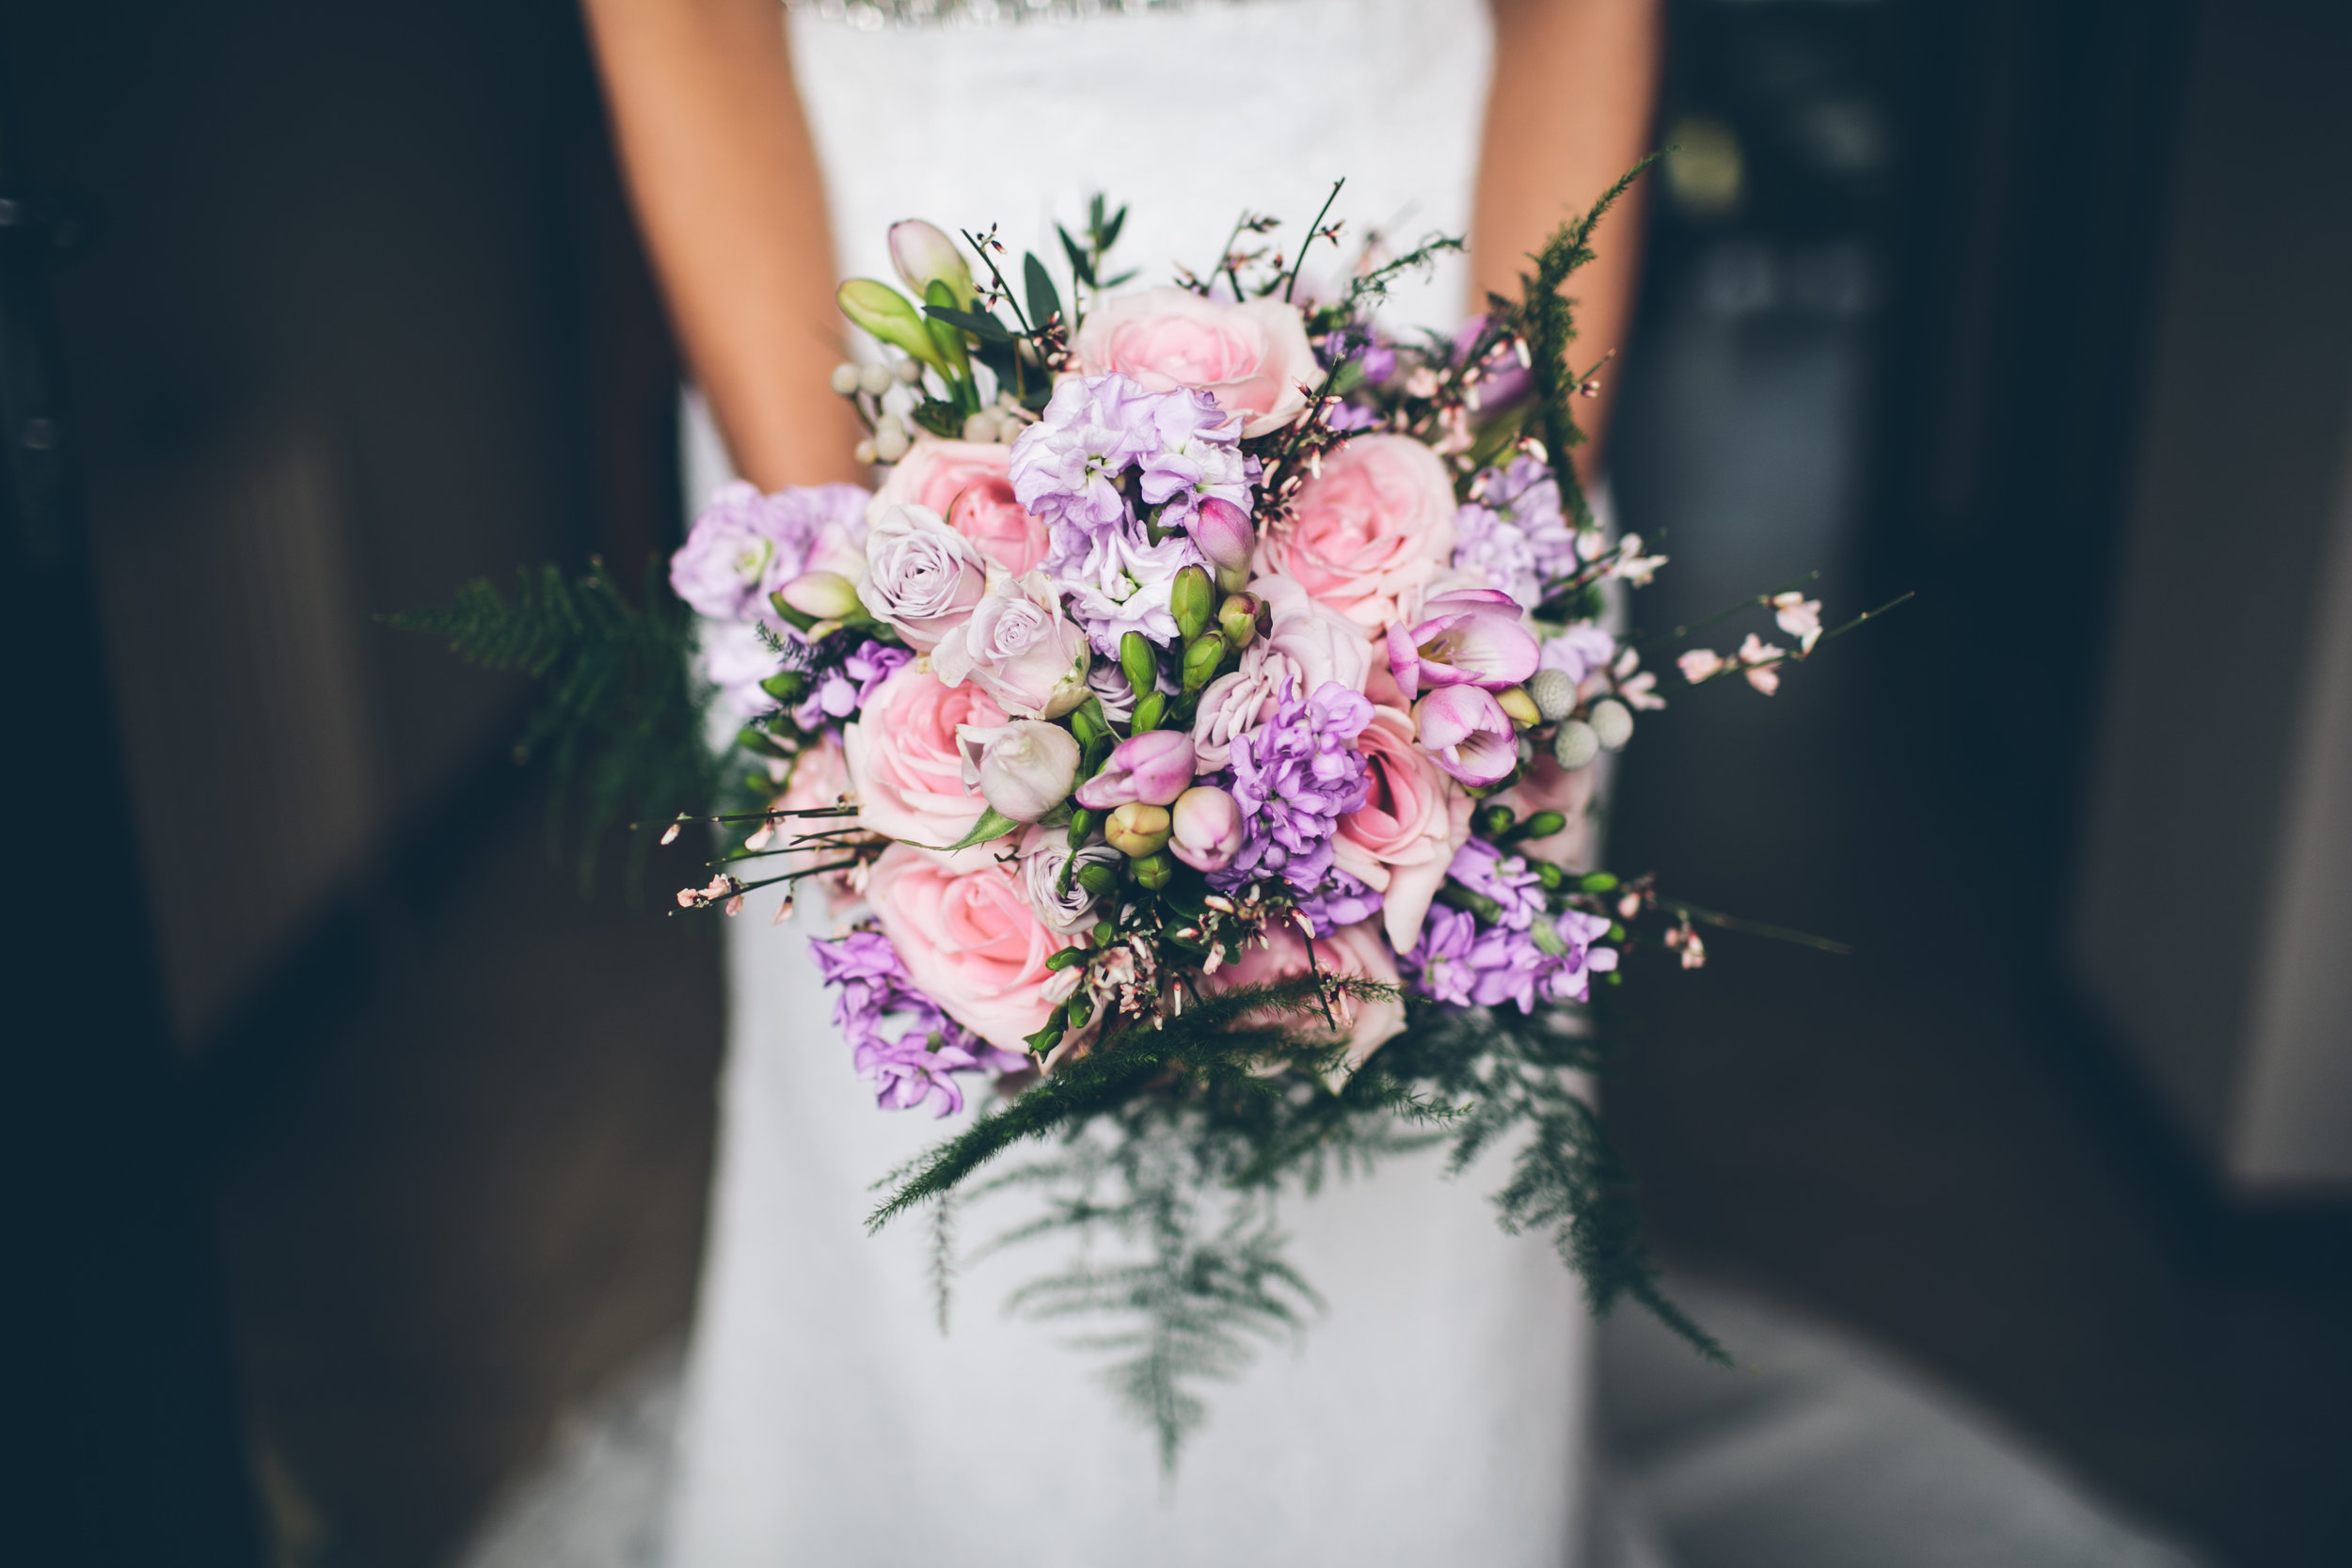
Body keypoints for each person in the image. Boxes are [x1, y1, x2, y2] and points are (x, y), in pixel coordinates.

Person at [580, 3, 1659, 1562]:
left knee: (1427, 1226)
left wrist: (1488, 536)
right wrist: (885, 627)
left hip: (1435, 380)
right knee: (935, 1235)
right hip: (853, 390)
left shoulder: (1461, 562)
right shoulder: (876, 565)